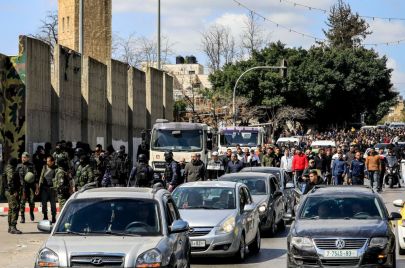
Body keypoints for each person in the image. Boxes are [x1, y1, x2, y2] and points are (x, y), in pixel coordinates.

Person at [17, 152, 37, 223]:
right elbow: (16, 177)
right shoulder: (19, 166)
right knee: (22, 202)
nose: (23, 159)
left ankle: (31, 212)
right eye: (22, 157)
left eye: (25, 157)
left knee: (32, 201)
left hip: (30, 187)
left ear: (28, 158)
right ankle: (22, 217)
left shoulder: (31, 166)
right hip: (22, 188)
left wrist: (36, 187)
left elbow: (35, 176)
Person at [4, 157, 22, 234]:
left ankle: (10, 227)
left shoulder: (7, 168)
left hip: (8, 191)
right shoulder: (11, 169)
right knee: (15, 207)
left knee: (11, 208)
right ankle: (13, 227)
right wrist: (14, 191)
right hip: (11, 191)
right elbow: (10, 181)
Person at [38, 156, 58, 222]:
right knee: (44, 204)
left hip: (52, 189)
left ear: (52, 162)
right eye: (47, 161)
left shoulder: (56, 168)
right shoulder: (44, 167)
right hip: (44, 188)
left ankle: (53, 217)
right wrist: (39, 186)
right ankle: (45, 216)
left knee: (53, 204)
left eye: (48, 161)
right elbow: (41, 176)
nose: (47, 162)